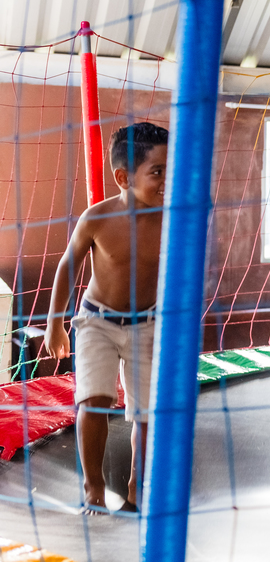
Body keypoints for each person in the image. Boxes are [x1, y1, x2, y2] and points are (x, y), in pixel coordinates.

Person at [46, 122, 169, 515]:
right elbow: (67, 266)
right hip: (96, 322)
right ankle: (94, 488)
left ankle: (137, 486)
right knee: (94, 401)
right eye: (157, 171)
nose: (166, 180)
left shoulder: (171, 219)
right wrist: (55, 323)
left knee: (147, 414)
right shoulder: (97, 218)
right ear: (123, 178)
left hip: (147, 323)